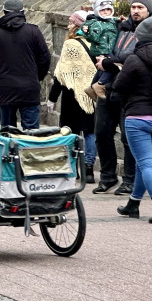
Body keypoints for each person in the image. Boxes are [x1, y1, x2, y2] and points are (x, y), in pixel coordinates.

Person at [93, 0, 150, 195]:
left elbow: (131, 56)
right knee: (101, 132)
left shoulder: (147, 33)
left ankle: (129, 180)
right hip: (109, 88)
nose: (135, 11)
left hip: (131, 93)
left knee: (128, 139)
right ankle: (107, 177)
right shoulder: (120, 27)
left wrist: (109, 61)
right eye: (133, 7)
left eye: (140, 7)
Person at [0, 0, 51, 131]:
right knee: (32, 133)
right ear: (23, 12)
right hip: (29, 88)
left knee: (7, 131)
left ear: (4, 12)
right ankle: (29, 152)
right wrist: (36, 77)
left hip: (5, 88)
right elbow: (45, 59)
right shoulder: (33, 31)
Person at [108, 17, 152, 222]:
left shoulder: (133, 59)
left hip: (138, 118)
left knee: (146, 163)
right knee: (144, 164)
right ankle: (133, 204)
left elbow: (118, 89)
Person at [47, 11, 97, 182]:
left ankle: (72, 169)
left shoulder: (70, 45)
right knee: (90, 133)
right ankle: (89, 170)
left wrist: (52, 98)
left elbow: (61, 75)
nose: (68, 26)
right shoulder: (95, 43)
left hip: (72, 97)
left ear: (77, 26)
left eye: (70, 23)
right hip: (90, 95)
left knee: (70, 134)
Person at [82, 0, 120, 91]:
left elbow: (114, 20)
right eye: (102, 10)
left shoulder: (110, 21)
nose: (106, 12)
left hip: (107, 47)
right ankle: (100, 84)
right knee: (111, 66)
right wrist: (88, 32)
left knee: (101, 69)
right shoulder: (97, 23)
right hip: (102, 49)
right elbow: (93, 38)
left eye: (108, 10)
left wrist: (120, 19)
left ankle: (92, 86)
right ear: (97, 10)